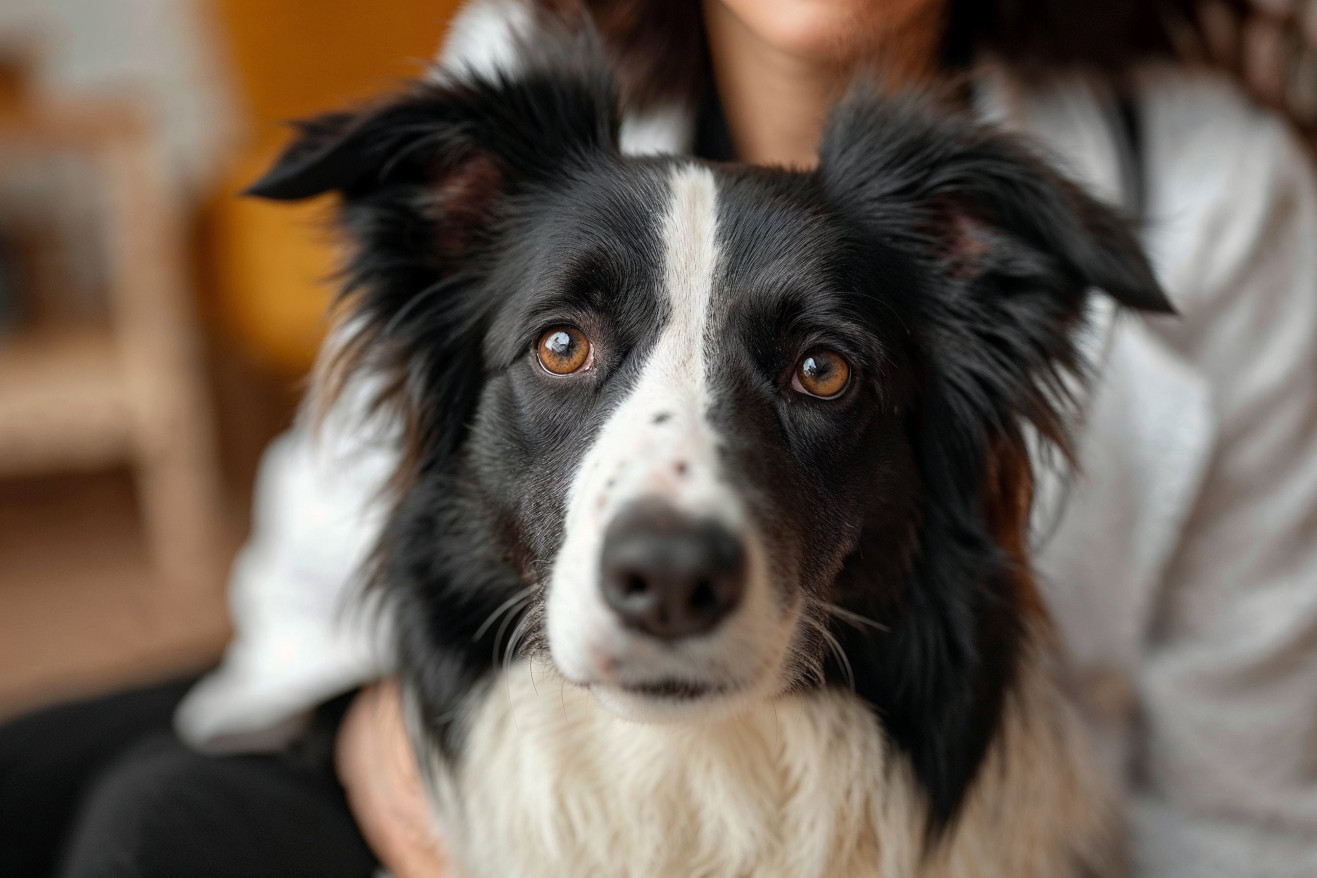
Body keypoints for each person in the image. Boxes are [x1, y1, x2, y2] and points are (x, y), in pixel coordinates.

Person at [3, 1, 1316, 876]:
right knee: (100, 795)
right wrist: (357, 710)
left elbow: (1245, 812)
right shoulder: (534, 51)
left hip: (899, 747)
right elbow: (319, 565)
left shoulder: (1206, 190)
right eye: (567, 343)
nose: (672, 532)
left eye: (818, 364)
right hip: (520, 690)